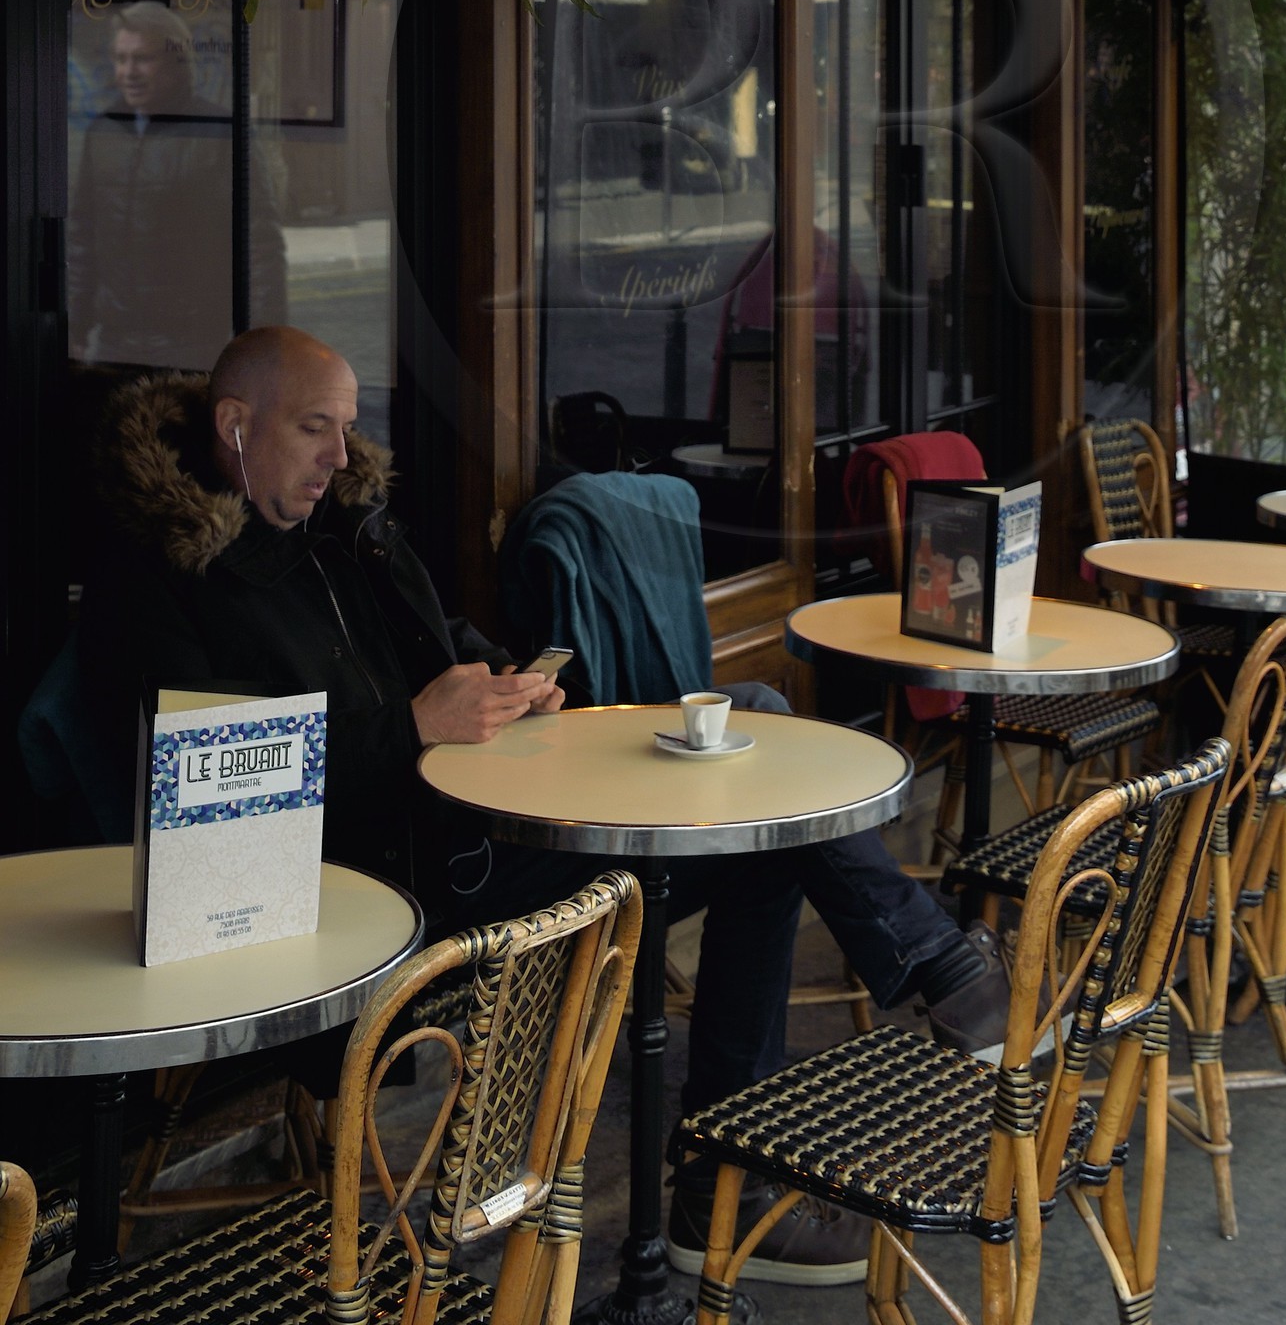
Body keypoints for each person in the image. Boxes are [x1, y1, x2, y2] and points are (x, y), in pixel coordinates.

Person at [78, 327, 1009, 1290]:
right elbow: (208, 795)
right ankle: (792, 1115)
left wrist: (507, 680)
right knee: (754, 809)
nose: (341, 457)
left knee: (756, 772)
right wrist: (411, 728)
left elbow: (441, 642)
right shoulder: (160, 579)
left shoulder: (348, 526)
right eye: (317, 428)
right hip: (359, 904)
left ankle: (731, 1170)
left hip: (470, 834)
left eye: (349, 430)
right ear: (235, 424)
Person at [68, 1, 287, 366]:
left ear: (176, 60)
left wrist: (262, 345)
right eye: (120, 59)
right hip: (114, 342)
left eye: (143, 59)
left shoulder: (218, 132)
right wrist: (73, 330)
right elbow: (82, 241)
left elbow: (259, 243)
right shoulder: (104, 132)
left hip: (191, 344)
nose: (129, 72)